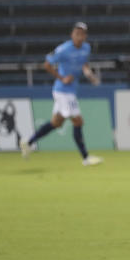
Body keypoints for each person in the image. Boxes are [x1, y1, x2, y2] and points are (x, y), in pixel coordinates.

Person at [19, 22, 104, 166]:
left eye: (82, 33)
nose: (79, 36)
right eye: (76, 33)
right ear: (72, 34)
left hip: (70, 91)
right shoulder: (63, 49)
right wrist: (62, 78)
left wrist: (89, 75)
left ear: (85, 36)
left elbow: (84, 64)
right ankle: (85, 158)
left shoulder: (86, 48)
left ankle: (28, 142)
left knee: (56, 123)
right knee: (78, 121)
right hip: (63, 91)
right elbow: (47, 64)